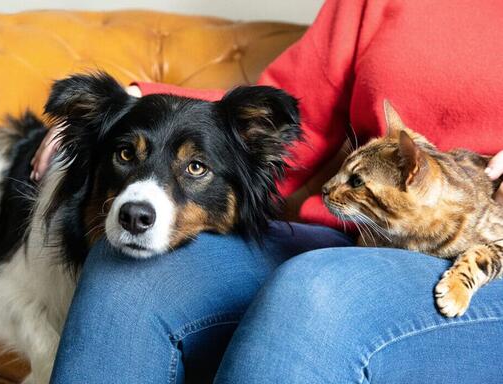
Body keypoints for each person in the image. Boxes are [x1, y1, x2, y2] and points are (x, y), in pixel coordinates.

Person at [32, 0, 503, 383]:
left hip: (484, 263)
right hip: (359, 233)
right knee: (126, 274)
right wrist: (126, 103)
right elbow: (296, 113)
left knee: (318, 290)